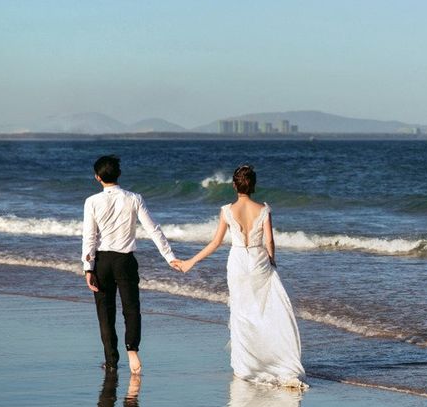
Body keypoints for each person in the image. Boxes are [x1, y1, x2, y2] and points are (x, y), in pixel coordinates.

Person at [177, 165, 306, 387]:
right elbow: (270, 242)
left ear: (234, 185)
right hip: (258, 260)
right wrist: (272, 260)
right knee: (265, 311)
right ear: (253, 185)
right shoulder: (264, 210)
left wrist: (190, 262)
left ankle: (246, 366)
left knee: (241, 312)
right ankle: (272, 359)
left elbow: (215, 243)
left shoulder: (227, 210)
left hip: (237, 261)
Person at [81, 154, 182, 374]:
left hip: (102, 261)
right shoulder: (134, 198)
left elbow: (89, 237)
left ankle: (111, 361)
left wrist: (88, 268)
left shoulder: (92, 201)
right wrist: (169, 256)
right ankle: (132, 350)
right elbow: (153, 229)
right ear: (119, 174)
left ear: (97, 177)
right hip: (125, 261)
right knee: (131, 308)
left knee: (105, 312)